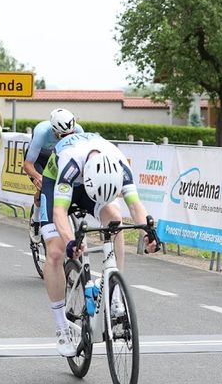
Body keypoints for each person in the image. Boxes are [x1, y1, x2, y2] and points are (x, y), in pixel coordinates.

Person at [38, 131, 159, 355]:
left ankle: (114, 291)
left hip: (91, 190)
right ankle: (62, 327)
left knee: (115, 220)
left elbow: (135, 206)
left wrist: (148, 233)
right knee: (55, 252)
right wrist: (70, 242)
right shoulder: (70, 162)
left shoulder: (120, 165)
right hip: (56, 185)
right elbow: (59, 212)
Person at [24, 108, 83, 241]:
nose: (67, 138)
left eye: (71, 134)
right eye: (63, 135)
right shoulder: (42, 132)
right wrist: (38, 177)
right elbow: (27, 165)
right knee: (43, 187)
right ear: (54, 130)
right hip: (40, 158)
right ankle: (36, 220)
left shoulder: (79, 130)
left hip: (59, 157)